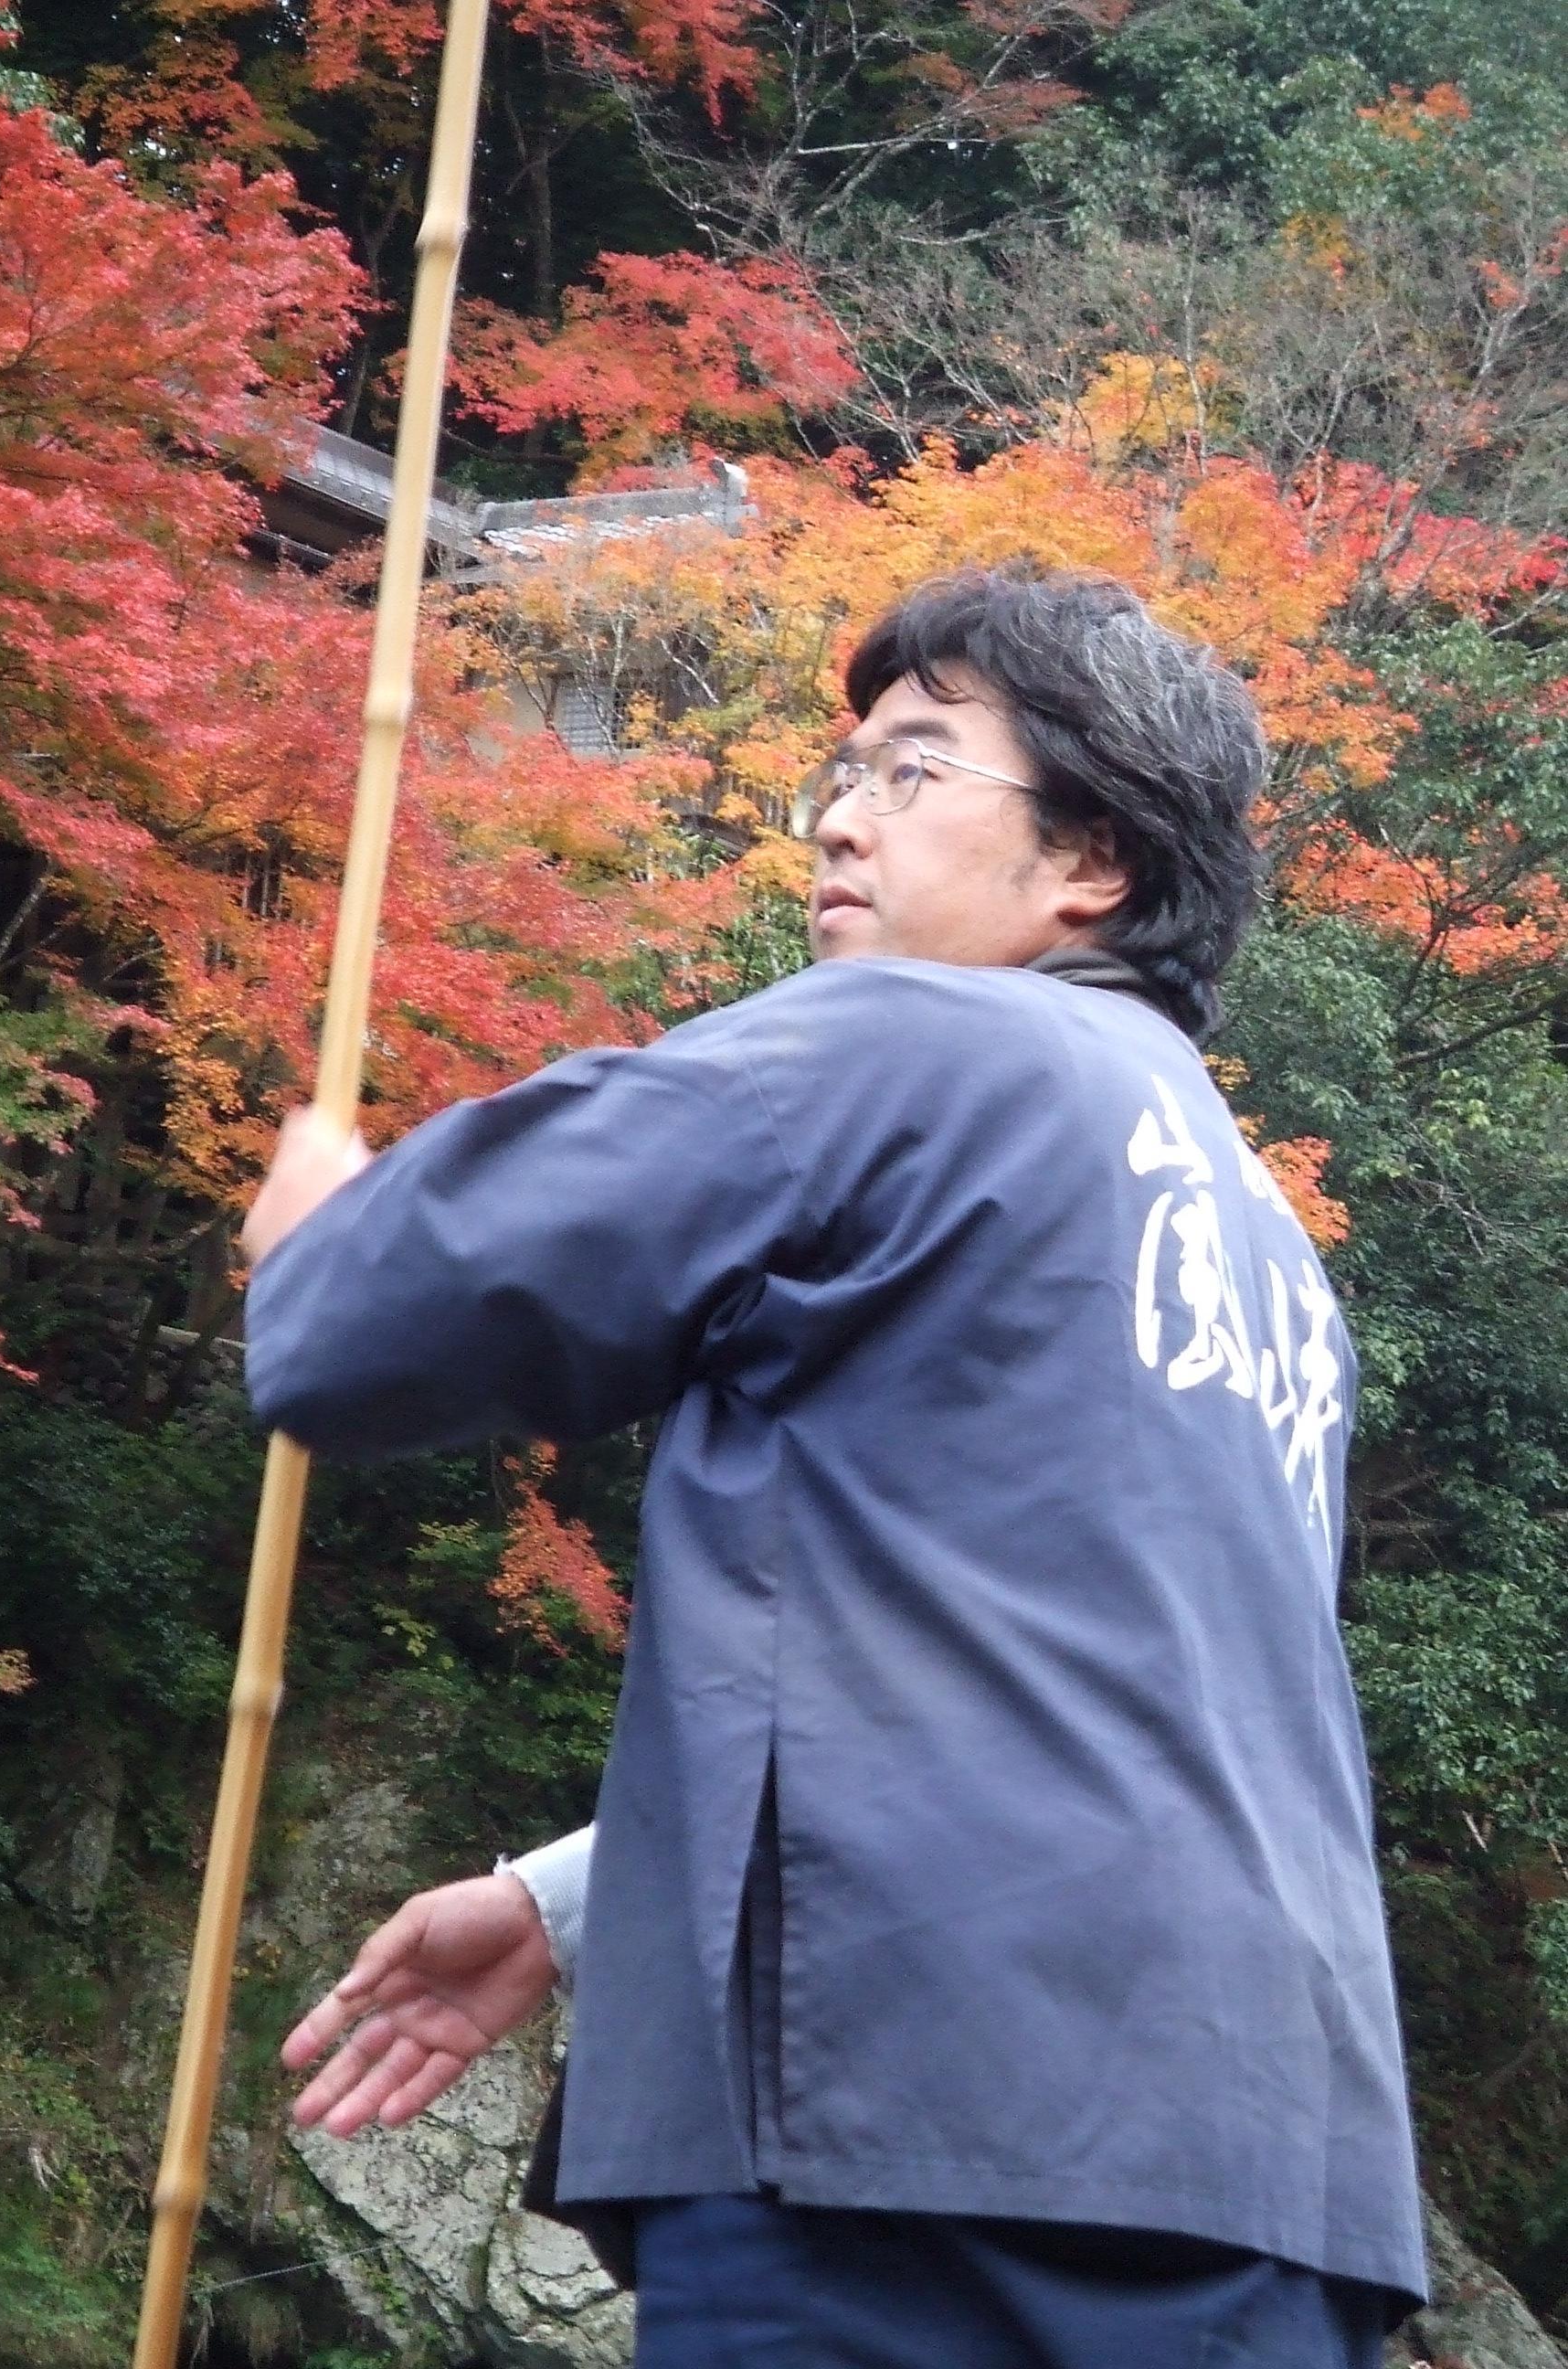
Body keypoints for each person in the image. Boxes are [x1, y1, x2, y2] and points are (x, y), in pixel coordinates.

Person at [242, 565, 1427, 2368]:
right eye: (845, 773)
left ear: (1092, 857)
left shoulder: (907, 1038)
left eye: (914, 768)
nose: (841, 822)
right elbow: (1101, 1691)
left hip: (909, 2127)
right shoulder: (1272, 1254)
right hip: (1271, 2170)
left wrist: (319, 1236)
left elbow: (362, 1330)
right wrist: (583, 1901)